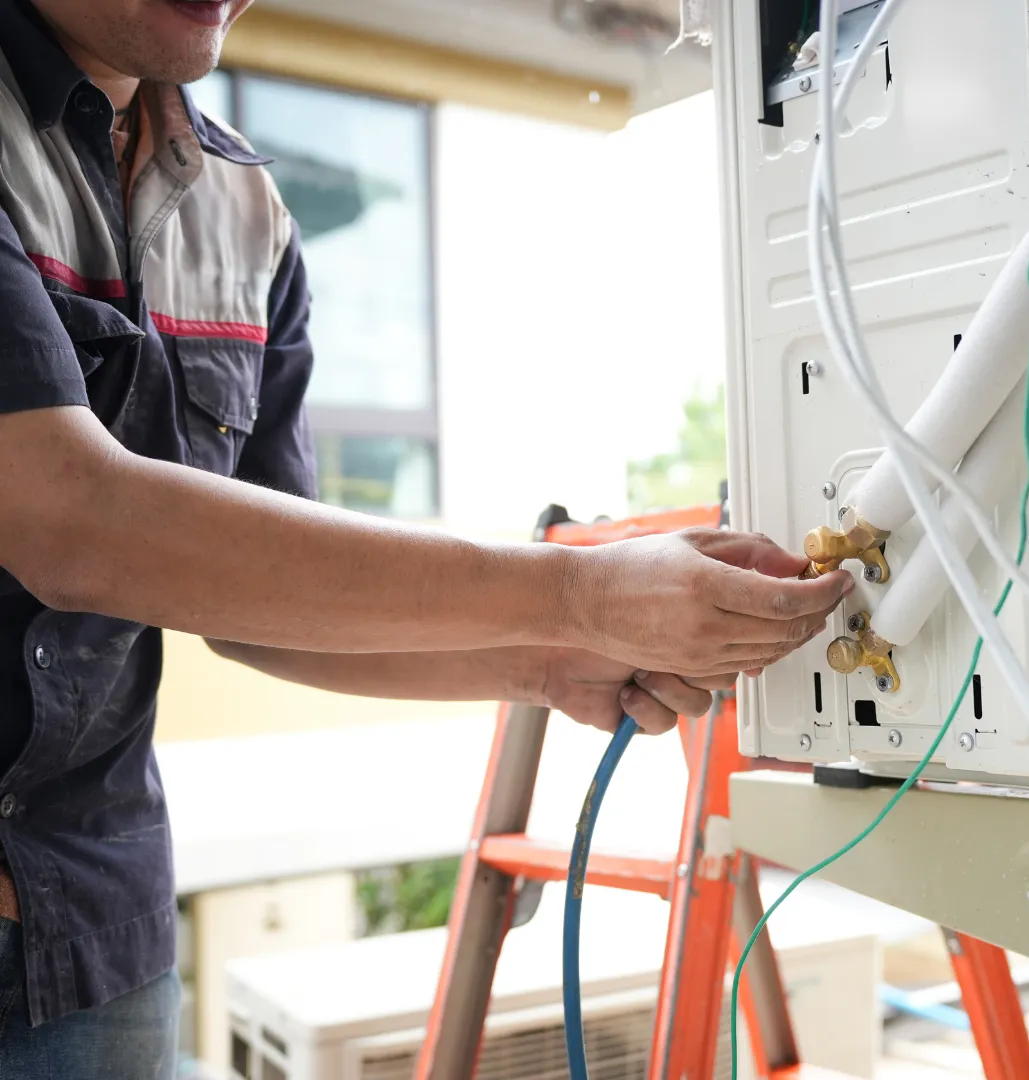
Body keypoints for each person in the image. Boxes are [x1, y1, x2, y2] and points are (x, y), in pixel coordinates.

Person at [0, 0, 853, 1074]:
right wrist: (579, 595)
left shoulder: (247, 211)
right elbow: (70, 518)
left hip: (97, 936)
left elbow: (258, 617)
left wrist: (546, 661)